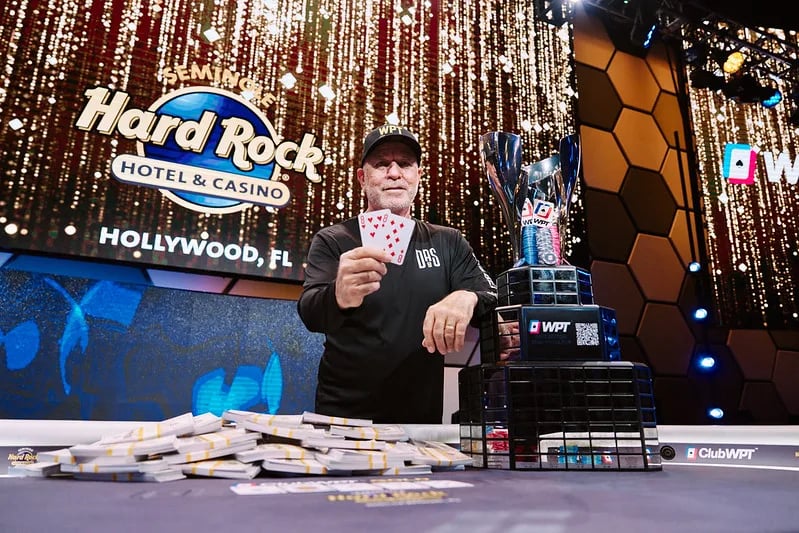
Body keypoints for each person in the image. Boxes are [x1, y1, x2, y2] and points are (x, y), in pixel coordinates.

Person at [297, 124, 498, 424]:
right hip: (342, 423)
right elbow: (311, 314)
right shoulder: (333, 239)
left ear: (418, 176)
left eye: (405, 164)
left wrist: (466, 296)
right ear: (362, 178)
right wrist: (338, 295)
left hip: (421, 425)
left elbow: (492, 300)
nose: (394, 173)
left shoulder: (448, 241)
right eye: (381, 164)